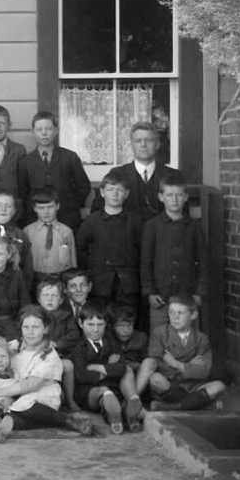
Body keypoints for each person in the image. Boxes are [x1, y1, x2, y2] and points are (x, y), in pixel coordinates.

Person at [0, 306, 93, 435]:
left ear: (45, 329)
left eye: (35, 327)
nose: (30, 332)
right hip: (16, 394)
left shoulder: (49, 355)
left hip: (41, 397)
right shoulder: (14, 346)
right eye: (26, 327)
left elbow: (30, 385)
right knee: (10, 418)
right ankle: (24, 421)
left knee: (25, 403)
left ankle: (65, 420)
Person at [141, 172, 208, 329]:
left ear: (186, 197)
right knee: (159, 338)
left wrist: (199, 292)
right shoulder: (152, 226)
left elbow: (204, 262)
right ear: (161, 197)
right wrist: (150, 292)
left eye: (179, 195)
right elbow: (146, 261)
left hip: (187, 296)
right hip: (161, 297)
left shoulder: (194, 227)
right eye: (170, 195)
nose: (175, 199)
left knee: (188, 340)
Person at [136, 295, 225, 411]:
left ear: (193, 315)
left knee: (219, 386)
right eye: (171, 313)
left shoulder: (201, 339)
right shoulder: (159, 334)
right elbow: (156, 364)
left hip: (193, 385)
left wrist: (176, 363)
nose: (175, 317)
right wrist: (189, 366)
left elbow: (203, 372)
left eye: (180, 313)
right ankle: (196, 404)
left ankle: (171, 407)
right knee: (155, 378)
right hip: (169, 384)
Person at [76, 173, 142, 313]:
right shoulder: (92, 222)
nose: (115, 194)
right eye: (110, 190)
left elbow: (143, 252)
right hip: (100, 284)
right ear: (102, 192)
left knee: (126, 320)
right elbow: (80, 251)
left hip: (128, 285)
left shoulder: (135, 222)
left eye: (120, 190)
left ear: (127, 194)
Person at [72, 305, 143, 434]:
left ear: (106, 324)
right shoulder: (78, 347)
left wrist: (99, 367)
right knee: (104, 392)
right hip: (88, 392)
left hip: (113, 386)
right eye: (91, 324)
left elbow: (121, 367)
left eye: (100, 324)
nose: (95, 329)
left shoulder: (111, 342)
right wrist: (109, 369)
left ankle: (131, 403)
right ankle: (114, 415)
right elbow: (82, 376)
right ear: (81, 324)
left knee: (127, 370)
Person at [91, 121, 180, 222]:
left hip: (162, 234)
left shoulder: (172, 175)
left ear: (157, 144)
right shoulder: (117, 174)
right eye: (138, 141)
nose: (143, 145)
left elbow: (182, 215)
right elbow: (98, 211)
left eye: (149, 140)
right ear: (131, 145)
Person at [18, 111, 90, 231]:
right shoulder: (25, 162)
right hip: (36, 219)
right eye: (39, 129)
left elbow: (83, 187)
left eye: (48, 129)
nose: (44, 133)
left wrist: (70, 205)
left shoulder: (70, 157)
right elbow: (23, 192)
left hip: (67, 217)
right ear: (33, 132)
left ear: (56, 130)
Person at [36, 277, 81, 412]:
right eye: (46, 295)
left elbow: (74, 335)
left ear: (61, 300)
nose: (50, 299)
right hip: (37, 355)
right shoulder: (33, 315)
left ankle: (70, 399)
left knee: (68, 365)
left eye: (54, 296)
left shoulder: (66, 317)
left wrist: (58, 344)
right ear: (39, 298)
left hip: (59, 355)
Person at [0, 190, 34, 287]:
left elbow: (27, 267)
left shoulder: (21, 235)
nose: (3, 209)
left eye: (8, 206)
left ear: (13, 211)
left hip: (14, 288)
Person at [23, 186, 76, 284]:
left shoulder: (66, 231)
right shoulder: (27, 232)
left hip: (60, 277)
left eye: (50, 207)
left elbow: (72, 261)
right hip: (35, 278)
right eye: (41, 208)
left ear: (58, 206)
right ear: (34, 208)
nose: (46, 212)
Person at [106, 303, 147, 374]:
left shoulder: (141, 337)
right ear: (111, 326)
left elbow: (146, 362)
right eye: (121, 326)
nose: (126, 330)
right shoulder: (106, 339)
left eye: (130, 325)